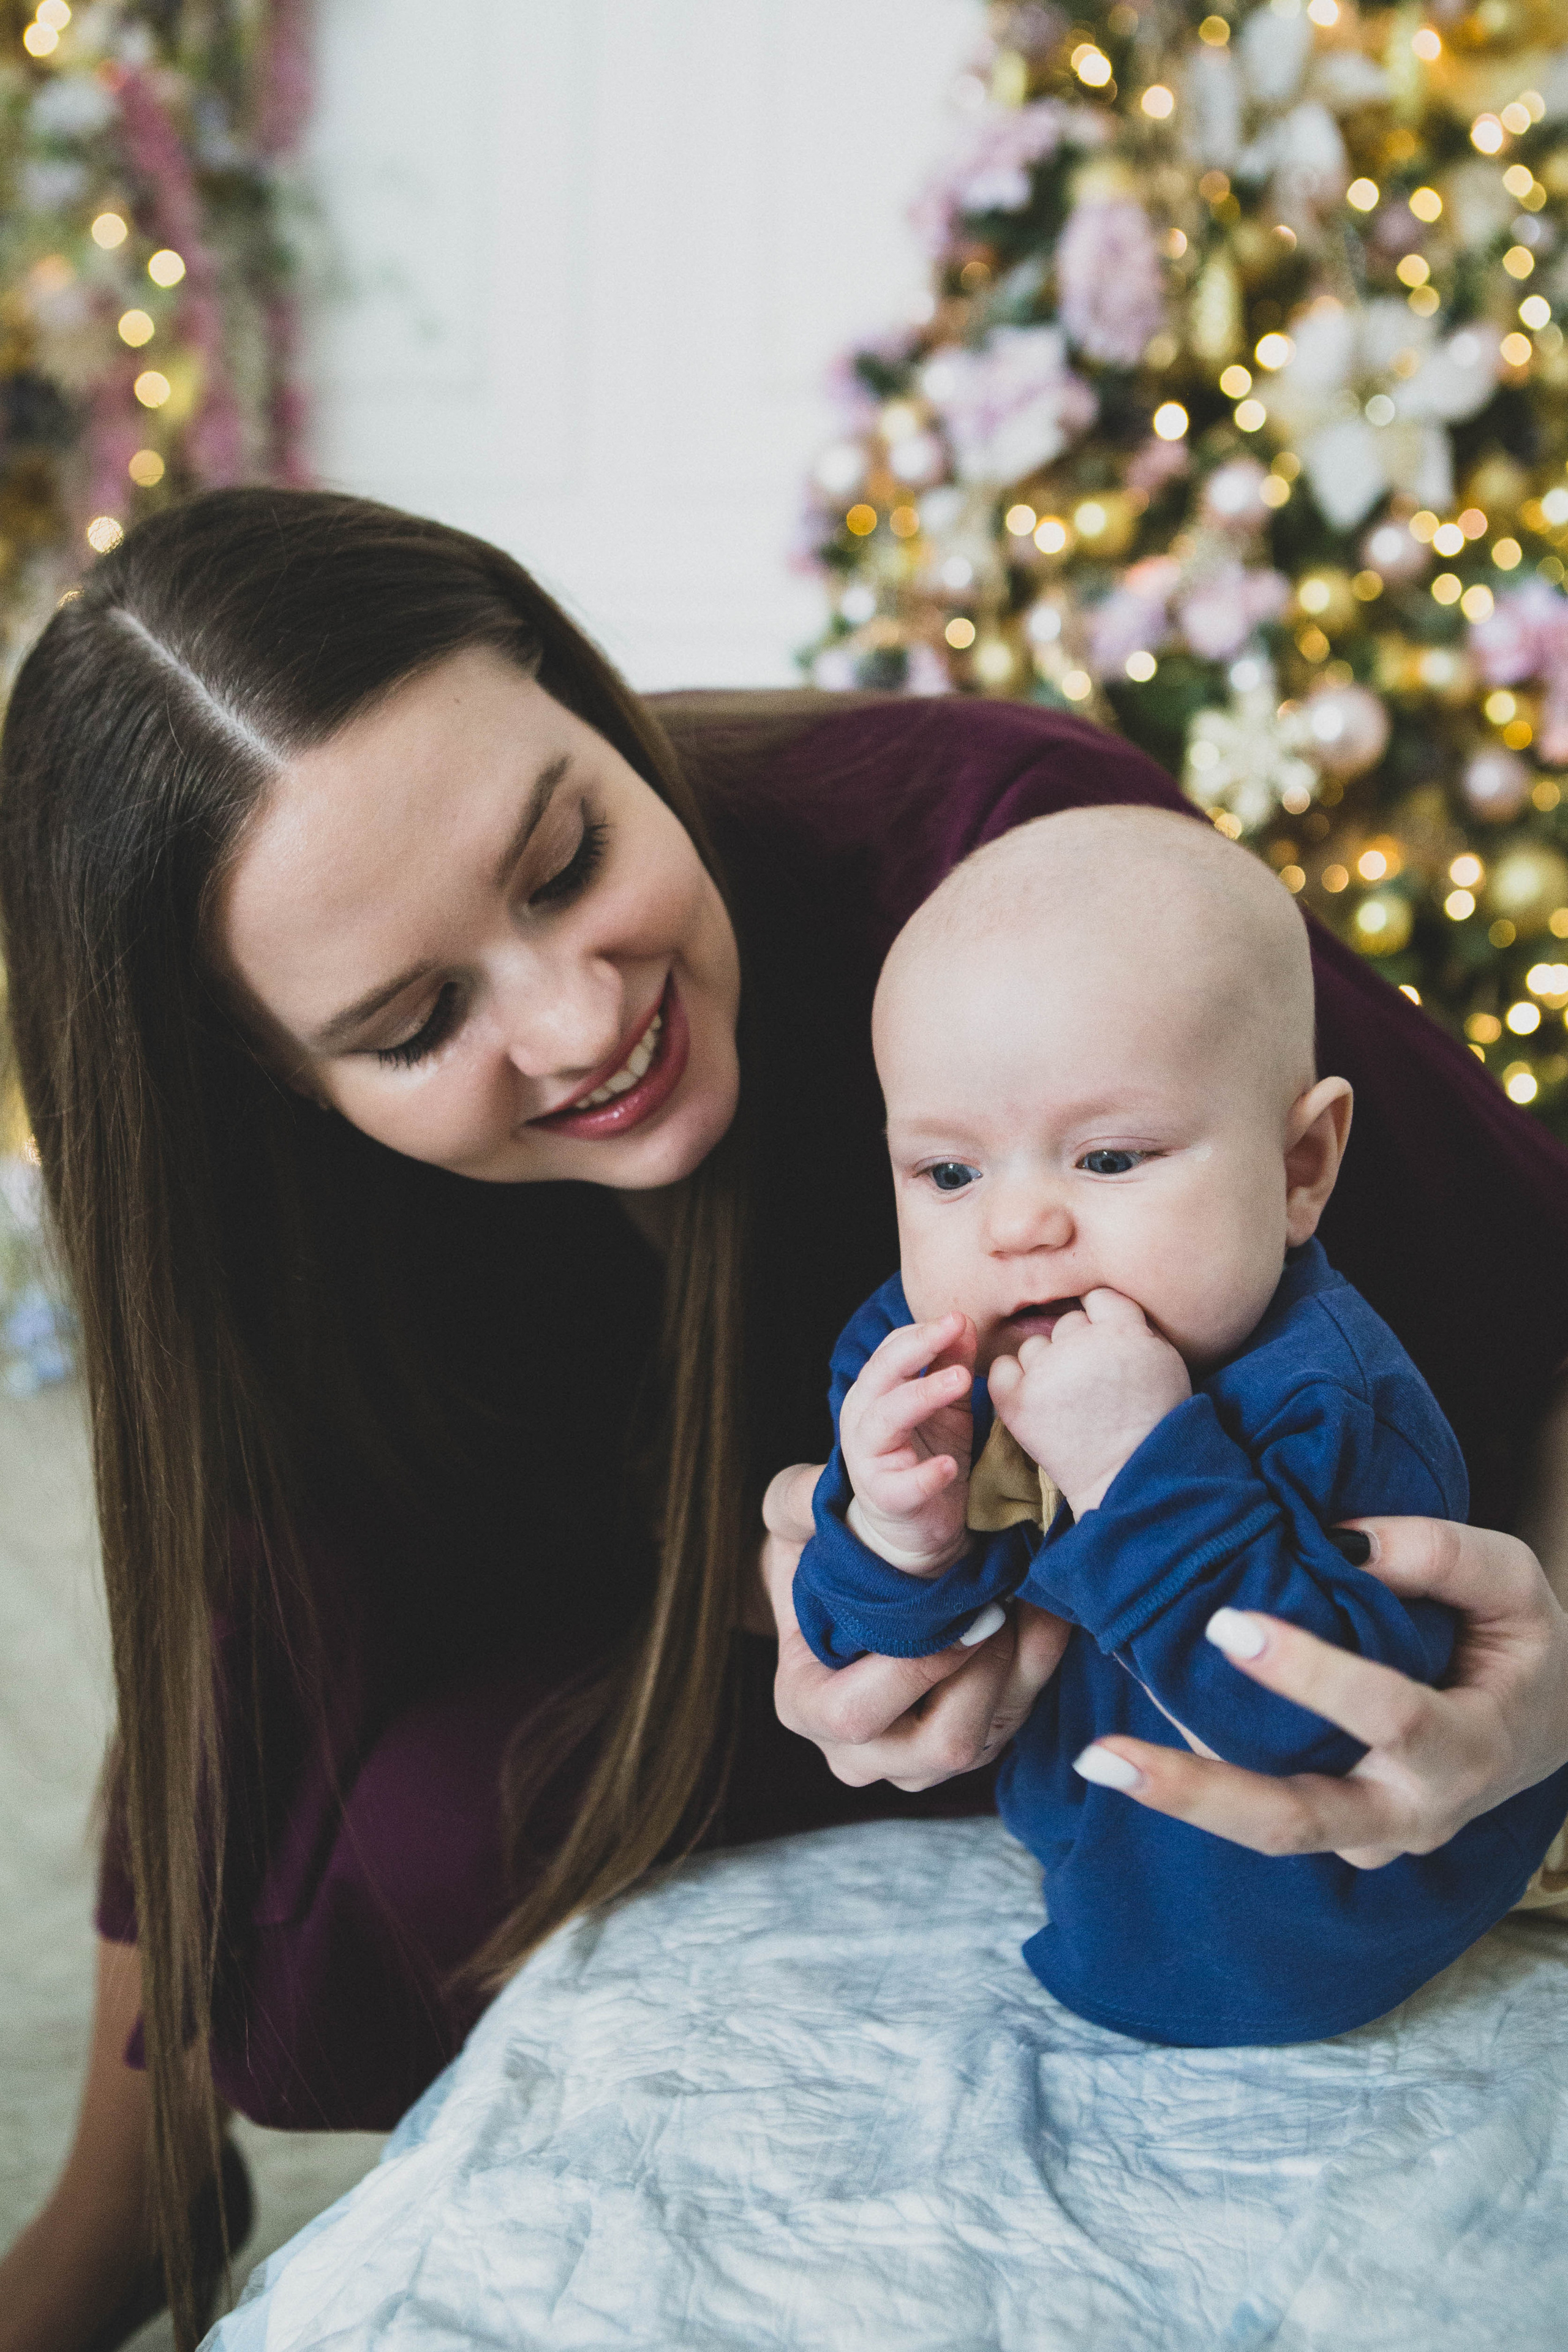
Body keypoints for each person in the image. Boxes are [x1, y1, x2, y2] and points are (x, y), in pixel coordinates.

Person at [1, 490, 1566, 2352]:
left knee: (427, 1842)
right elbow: (250, 1602)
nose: (579, 1022)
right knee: (330, 1814)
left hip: (1212, 1586)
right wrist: (811, 1596)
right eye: (419, 1022)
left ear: (587, 704)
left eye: (568, 858)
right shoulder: (277, 1206)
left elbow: (1530, 1264)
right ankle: (137, 2189)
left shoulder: (1028, 890)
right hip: (732, 1559)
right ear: (274, 1082)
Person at [790, 807, 1568, 2045]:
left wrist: (1132, 1467)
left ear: (1298, 1166)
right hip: (1095, 1836)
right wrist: (892, 1534)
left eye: (1106, 1159)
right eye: (947, 1174)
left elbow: (1321, 1737)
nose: (1016, 1227)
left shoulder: (1326, 1399)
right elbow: (859, 1652)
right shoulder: (926, 1351)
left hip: (1301, 1920)